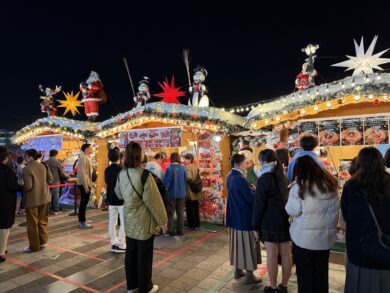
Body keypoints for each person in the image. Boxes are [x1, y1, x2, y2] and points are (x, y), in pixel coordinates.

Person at [115, 142, 167, 293]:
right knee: (144, 255)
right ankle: (145, 287)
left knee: (130, 254)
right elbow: (154, 201)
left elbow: (118, 193)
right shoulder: (145, 175)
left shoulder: (122, 173)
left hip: (129, 219)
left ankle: (131, 286)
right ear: (139, 155)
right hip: (144, 221)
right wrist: (163, 220)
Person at [285, 155, 339, 293]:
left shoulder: (299, 187)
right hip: (325, 240)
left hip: (304, 241)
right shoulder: (331, 185)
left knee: (305, 278)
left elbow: (292, 211)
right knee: (321, 275)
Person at [342, 148, 390, 292]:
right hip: (386, 248)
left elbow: (346, 216)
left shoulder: (351, 186)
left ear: (360, 162)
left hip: (359, 249)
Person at [252, 149, 291, 293]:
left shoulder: (264, 178)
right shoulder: (284, 177)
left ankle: (273, 286)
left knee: (272, 255)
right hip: (284, 219)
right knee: (286, 254)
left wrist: (255, 225)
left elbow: (259, 204)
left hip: (269, 221)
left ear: (263, 161)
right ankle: (284, 286)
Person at [226, 154, 262, 285]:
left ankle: (237, 270)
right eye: (244, 163)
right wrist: (254, 190)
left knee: (236, 246)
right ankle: (250, 275)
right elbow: (250, 199)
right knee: (248, 247)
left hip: (234, 217)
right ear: (238, 163)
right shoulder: (240, 179)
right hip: (244, 218)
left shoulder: (229, 176)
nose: (246, 165)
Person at [22, 149, 53, 253]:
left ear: (30, 157)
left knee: (32, 223)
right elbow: (50, 180)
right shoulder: (43, 165)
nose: (25, 157)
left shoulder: (26, 169)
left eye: (25, 155)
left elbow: (28, 186)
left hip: (32, 200)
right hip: (45, 197)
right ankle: (43, 241)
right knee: (43, 220)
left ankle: (34, 246)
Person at [105, 148, 126, 253]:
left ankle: (113, 243)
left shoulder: (107, 169)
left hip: (111, 199)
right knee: (124, 222)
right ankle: (121, 243)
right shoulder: (122, 170)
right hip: (121, 200)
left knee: (112, 222)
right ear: (119, 157)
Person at [0, 147, 19, 262]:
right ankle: (1, 252)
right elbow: (13, 186)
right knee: (3, 229)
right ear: (5, 158)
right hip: (5, 203)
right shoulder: (8, 170)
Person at [163, 152, 187, 236]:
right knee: (180, 213)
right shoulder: (183, 168)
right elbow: (185, 180)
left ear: (171, 159)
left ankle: (170, 230)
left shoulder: (169, 169)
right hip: (182, 194)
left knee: (171, 213)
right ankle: (181, 231)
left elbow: (166, 183)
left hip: (171, 194)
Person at [45, 150, 69, 215]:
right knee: (55, 196)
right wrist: (67, 177)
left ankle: (47, 209)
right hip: (55, 181)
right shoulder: (57, 162)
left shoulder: (45, 162)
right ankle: (55, 209)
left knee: (47, 196)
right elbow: (61, 173)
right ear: (56, 155)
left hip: (47, 182)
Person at [77, 143, 94, 229]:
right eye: (91, 147)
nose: (92, 149)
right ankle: (82, 222)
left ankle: (83, 219)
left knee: (84, 202)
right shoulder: (83, 158)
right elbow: (83, 173)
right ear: (86, 149)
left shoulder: (87, 157)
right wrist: (85, 185)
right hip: (84, 183)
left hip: (87, 183)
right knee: (83, 203)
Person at [184, 153, 202, 230]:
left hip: (190, 190)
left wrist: (184, 179)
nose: (184, 160)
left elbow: (189, 177)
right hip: (196, 189)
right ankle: (197, 223)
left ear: (190, 159)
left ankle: (191, 224)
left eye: (185, 159)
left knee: (190, 207)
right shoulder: (195, 166)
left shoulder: (188, 167)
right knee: (195, 207)